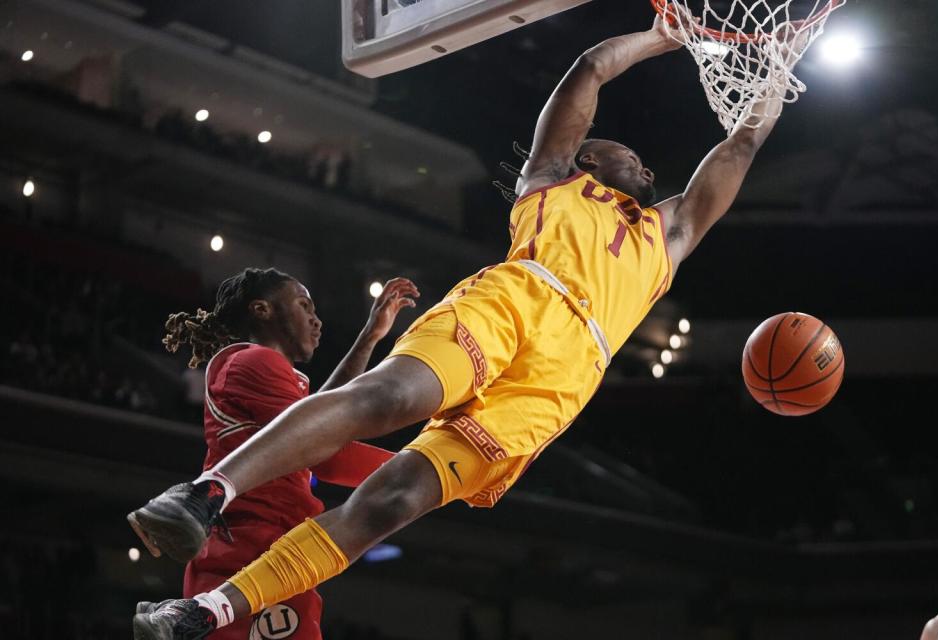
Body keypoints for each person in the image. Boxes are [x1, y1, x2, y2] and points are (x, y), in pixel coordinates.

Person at [131, 12, 807, 639]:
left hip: (564, 380)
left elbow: (743, 142)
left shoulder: (670, 233)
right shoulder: (552, 180)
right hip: (515, 303)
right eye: (625, 153)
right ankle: (201, 496)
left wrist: (776, 65)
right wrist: (671, 35)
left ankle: (198, 614)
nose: (646, 166)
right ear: (591, 159)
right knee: (387, 399)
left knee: (391, 503)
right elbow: (590, 69)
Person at [129, 267, 418, 640]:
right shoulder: (255, 362)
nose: (316, 319)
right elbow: (327, 452)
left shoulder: (252, 365)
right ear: (262, 310)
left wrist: (368, 339)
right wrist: (422, 467)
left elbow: (322, 418)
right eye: (304, 305)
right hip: (255, 553)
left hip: (247, 551)